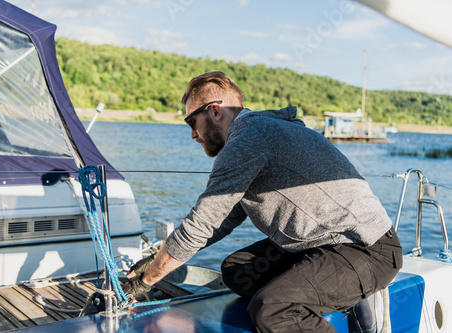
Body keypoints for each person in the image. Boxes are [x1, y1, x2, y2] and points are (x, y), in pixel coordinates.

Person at [122, 71, 402, 332]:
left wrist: (146, 281)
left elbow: (201, 224)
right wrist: (158, 259)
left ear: (215, 111)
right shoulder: (258, 131)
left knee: (272, 309)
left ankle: (337, 296)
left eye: (191, 122)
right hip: (320, 241)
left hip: (367, 248)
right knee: (236, 271)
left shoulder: (246, 141)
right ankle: (319, 292)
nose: (193, 134)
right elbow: (220, 221)